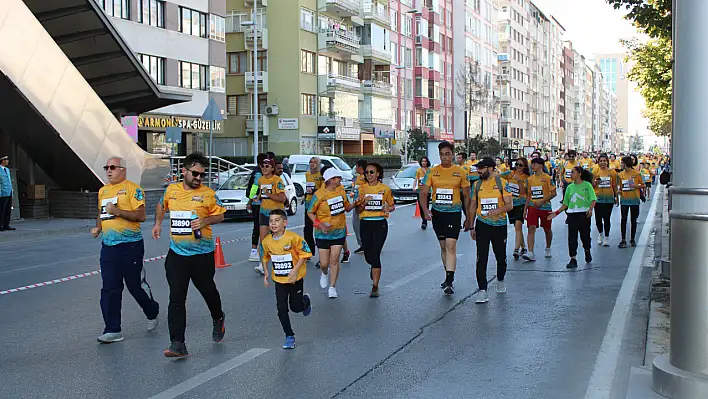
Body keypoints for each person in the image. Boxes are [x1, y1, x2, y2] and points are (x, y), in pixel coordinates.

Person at [152, 153, 227, 358]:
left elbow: (220, 214)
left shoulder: (208, 194)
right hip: (177, 254)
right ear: (183, 171)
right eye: (195, 173)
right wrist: (158, 223)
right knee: (176, 298)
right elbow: (161, 204)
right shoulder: (171, 190)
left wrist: (205, 222)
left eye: (202, 175)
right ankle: (178, 343)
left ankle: (218, 317)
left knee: (207, 290)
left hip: (202, 254)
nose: (199, 178)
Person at [92, 157, 159, 343]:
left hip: (131, 246)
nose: (108, 171)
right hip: (109, 247)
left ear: (123, 170)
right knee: (110, 288)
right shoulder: (103, 191)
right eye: (106, 167)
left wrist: (118, 212)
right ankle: (113, 329)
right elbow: (101, 213)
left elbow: (141, 215)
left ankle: (152, 310)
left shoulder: (133, 189)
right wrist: (98, 227)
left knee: (134, 286)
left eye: (112, 167)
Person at [419, 141, 471, 295]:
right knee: (443, 247)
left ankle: (449, 280)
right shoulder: (432, 171)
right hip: (437, 213)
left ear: (453, 154)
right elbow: (423, 193)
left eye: (447, 154)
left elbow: (467, 196)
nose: (445, 157)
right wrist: (425, 210)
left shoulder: (460, 172)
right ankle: (448, 274)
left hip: (453, 213)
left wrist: (468, 217)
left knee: (451, 246)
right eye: (442, 154)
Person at [260, 209, 313, 349]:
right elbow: (265, 258)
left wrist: (295, 270)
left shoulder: (293, 238)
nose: (273, 224)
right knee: (281, 309)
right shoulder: (267, 241)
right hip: (279, 280)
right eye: (271, 221)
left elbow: (306, 253)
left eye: (277, 220)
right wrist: (266, 274)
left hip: (295, 279)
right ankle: (289, 335)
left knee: (295, 308)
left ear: (285, 223)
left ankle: (305, 302)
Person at [307, 168, 357, 298]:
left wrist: (356, 203)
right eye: (338, 178)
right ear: (331, 180)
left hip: (339, 231)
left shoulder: (341, 191)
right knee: (324, 263)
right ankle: (324, 273)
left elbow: (346, 208)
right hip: (322, 233)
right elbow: (310, 212)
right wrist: (319, 224)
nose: (340, 180)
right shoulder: (319, 194)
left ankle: (332, 287)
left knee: (334, 260)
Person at [469, 157, 513, 303]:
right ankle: (482, 290)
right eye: (478, 168)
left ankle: (500, 280)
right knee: (481, 258)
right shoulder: (476, 185)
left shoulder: (502, 183)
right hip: (482, 224)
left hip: (499, 225)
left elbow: (509, 205)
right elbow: (473, 205)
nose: (479, 171)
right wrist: (471, 225)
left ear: (491, 168)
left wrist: (497, 210)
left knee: (500, 257)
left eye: (481, 168)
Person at [354, 162, 395, 297]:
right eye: (367, 172)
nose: (369, 175)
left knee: (376, 253)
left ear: (378, 174)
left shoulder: (385, 189)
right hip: (365, 223)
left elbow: (391, 206)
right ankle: (373, 266)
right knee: (368, 254)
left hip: (380, 224)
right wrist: (364, 202)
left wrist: (387, 208)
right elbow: (358, 209)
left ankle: (375, 286)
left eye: (372, 172)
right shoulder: (362, 189)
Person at [548, 166, 596, 269]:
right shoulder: (569, 187)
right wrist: (556, 213)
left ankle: (587, 251)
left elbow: (593, 199)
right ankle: (573, 258)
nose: (571, 174)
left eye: (573, 172)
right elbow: (565, 204)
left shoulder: (587, 185)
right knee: (572, 238)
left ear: (579, 174)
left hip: (584, 214)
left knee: (585, 236)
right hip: (572, 215)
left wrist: (590, 209)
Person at [253, 158, 286, 275]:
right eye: (262, 166)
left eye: (267, 166)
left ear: (272, 168)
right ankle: (263, 265)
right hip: (264, 211)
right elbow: (260, 193)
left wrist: (268, 194)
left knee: (278, 239)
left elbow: (282, 198)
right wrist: (257, 197)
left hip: (276, 213)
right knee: (263, 240)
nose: (264, 168)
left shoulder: (277, 180)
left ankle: (282, 263)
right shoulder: (261, 180)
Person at [523, 157, 557, 261]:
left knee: (547, 229)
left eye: (535, 164)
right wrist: (525, 209)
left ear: (541, 166)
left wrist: (542, 201)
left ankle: (548, 247)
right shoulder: (529, 179)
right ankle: (530, 252)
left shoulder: (547, 178)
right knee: (531, 228)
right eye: (532, 164)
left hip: (545, 207)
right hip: (533, 207)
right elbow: (529, 195)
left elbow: (554, 193)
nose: (532, 166)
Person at [591, 154, 619, 247]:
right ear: (598, 162)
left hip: (608, 198)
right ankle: (600, 234)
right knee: (598, 219)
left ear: (607, 162)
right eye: (601, 161)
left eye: (604, 161)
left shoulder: (612, 172)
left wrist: (616, 197)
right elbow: (590, 185)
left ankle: (606, 237)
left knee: (606, 218)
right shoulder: (595, 171)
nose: (603, 163)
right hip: (597, 198)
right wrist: (595, 183)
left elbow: (614, 185)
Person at [618, 156, 645, 248]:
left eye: (622, 163)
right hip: (624, 200)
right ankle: (623, 240)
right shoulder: (620, 174)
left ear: (626, 164)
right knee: (623, 219)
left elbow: (643, 185)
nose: (621, 164)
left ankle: (632, 239)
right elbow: (620, 187)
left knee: (633, 220)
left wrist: (635, 186)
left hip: (634, 200)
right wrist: (619, 191)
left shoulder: (637, 174)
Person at [246, 153, 268, 262]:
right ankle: (254, 251)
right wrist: (250, 201)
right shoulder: (259, 174)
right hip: (258, 204)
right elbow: (255, 188)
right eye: (265, 164)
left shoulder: (257, 172)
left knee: (259, 227)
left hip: (258, 203)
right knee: (259, 227)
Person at [507, 157, 529, 260]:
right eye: (517, 165)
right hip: (511, 204)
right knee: (517, 228)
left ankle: (516, 249)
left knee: (518, 226)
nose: (518, 167)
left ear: (524, 167)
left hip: (521, 203)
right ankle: (523, 247)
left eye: (520, 165)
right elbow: (498, 177)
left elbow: (523, 192)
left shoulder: (526, 177)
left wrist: (519, 181)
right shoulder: (510, 173)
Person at [303, 157, 324, 267]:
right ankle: (309, 252)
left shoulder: (321, 175)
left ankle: (322, 256)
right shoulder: (307, 174)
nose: (312, 164)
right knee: (307, 229)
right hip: (308, 203)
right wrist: (305, 196)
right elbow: (308, 188)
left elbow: (323, 190)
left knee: (318, 229)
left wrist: (314, 191)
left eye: (315, 162)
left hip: (317, 205)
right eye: (310, 162)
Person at [351, 159, 368, 254]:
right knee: (356, 224)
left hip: (362, 204)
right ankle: (362, 244)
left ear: (360, 167)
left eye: (356, 166)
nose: (355, 168)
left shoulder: (366, 177)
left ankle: (366, 244)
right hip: (356, 203)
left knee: (361, 225)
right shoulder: (358, 177)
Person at [414, 156, 431, 230]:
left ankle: (425, 221)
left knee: (425, 205)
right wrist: (414, 186)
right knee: (421, 206)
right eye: (422, 161)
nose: (423, 163)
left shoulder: (429, 170)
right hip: (420, 190)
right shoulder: (418, 170)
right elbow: (416, 179)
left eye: (425, 161)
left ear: (427, 162)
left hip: (427, 190)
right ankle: (423, 220)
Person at [0, 155, 13, 231]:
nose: (8, 161)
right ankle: (0, 225)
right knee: (1, 210)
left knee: (8, 209)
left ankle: (6, 225)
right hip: (2, 193)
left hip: (9, 191)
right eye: (6, 160)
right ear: (3, 161)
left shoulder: (7, 170)